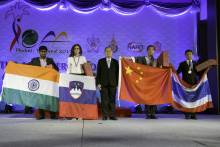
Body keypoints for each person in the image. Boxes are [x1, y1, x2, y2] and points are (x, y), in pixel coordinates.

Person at [28, 45, 59, 119]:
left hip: (48, 83)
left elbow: (57, 69)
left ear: (46, 52)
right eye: (42, 51)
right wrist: (15, 64)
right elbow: (27, 66)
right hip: (39, 83)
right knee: (40, 99)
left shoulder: (50, 60)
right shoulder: (34, 60)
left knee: (50, 98)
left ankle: (53, 114)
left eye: (44, 52)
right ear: (39, 52)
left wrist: (52, 68)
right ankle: (41, 114)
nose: (43, 53)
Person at [135, 45, 158, 119]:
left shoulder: (156, 60)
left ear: (154, 51)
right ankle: (147, 113)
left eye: (152, 50)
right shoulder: (142, 59)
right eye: (149, 50)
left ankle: (153, 113)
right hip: (145, 81)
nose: (151, 51)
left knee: (154, 98)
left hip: (154, 82)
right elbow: (137, 65)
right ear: (147, 51)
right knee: (146, 97)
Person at [96, 46, 119, 120]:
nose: (108, 52)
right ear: (105, 52)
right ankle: (105, 115)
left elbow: (117, 73)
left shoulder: (116, 62)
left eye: (110, 51)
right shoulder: (100, 61)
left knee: (112, 100)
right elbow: (98, 73)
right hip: (103, 84)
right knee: (104, 101)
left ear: (112, 52)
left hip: (113, 84)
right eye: (107, 51)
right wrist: (98, 83)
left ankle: (112, 115)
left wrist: (117, 84)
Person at [177, 49, 199, 119]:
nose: (189, 55)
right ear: (185, 55)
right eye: (187, 54)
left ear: (192, 55)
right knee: (186, 99)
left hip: (194, 84)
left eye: (190, 54)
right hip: (185, 84)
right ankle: (187, 114)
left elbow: (199, 73)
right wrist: (171, 70)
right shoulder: (182, 64)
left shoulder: (196, 63)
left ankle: (193, 114)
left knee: (193, 99)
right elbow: (177, 73)